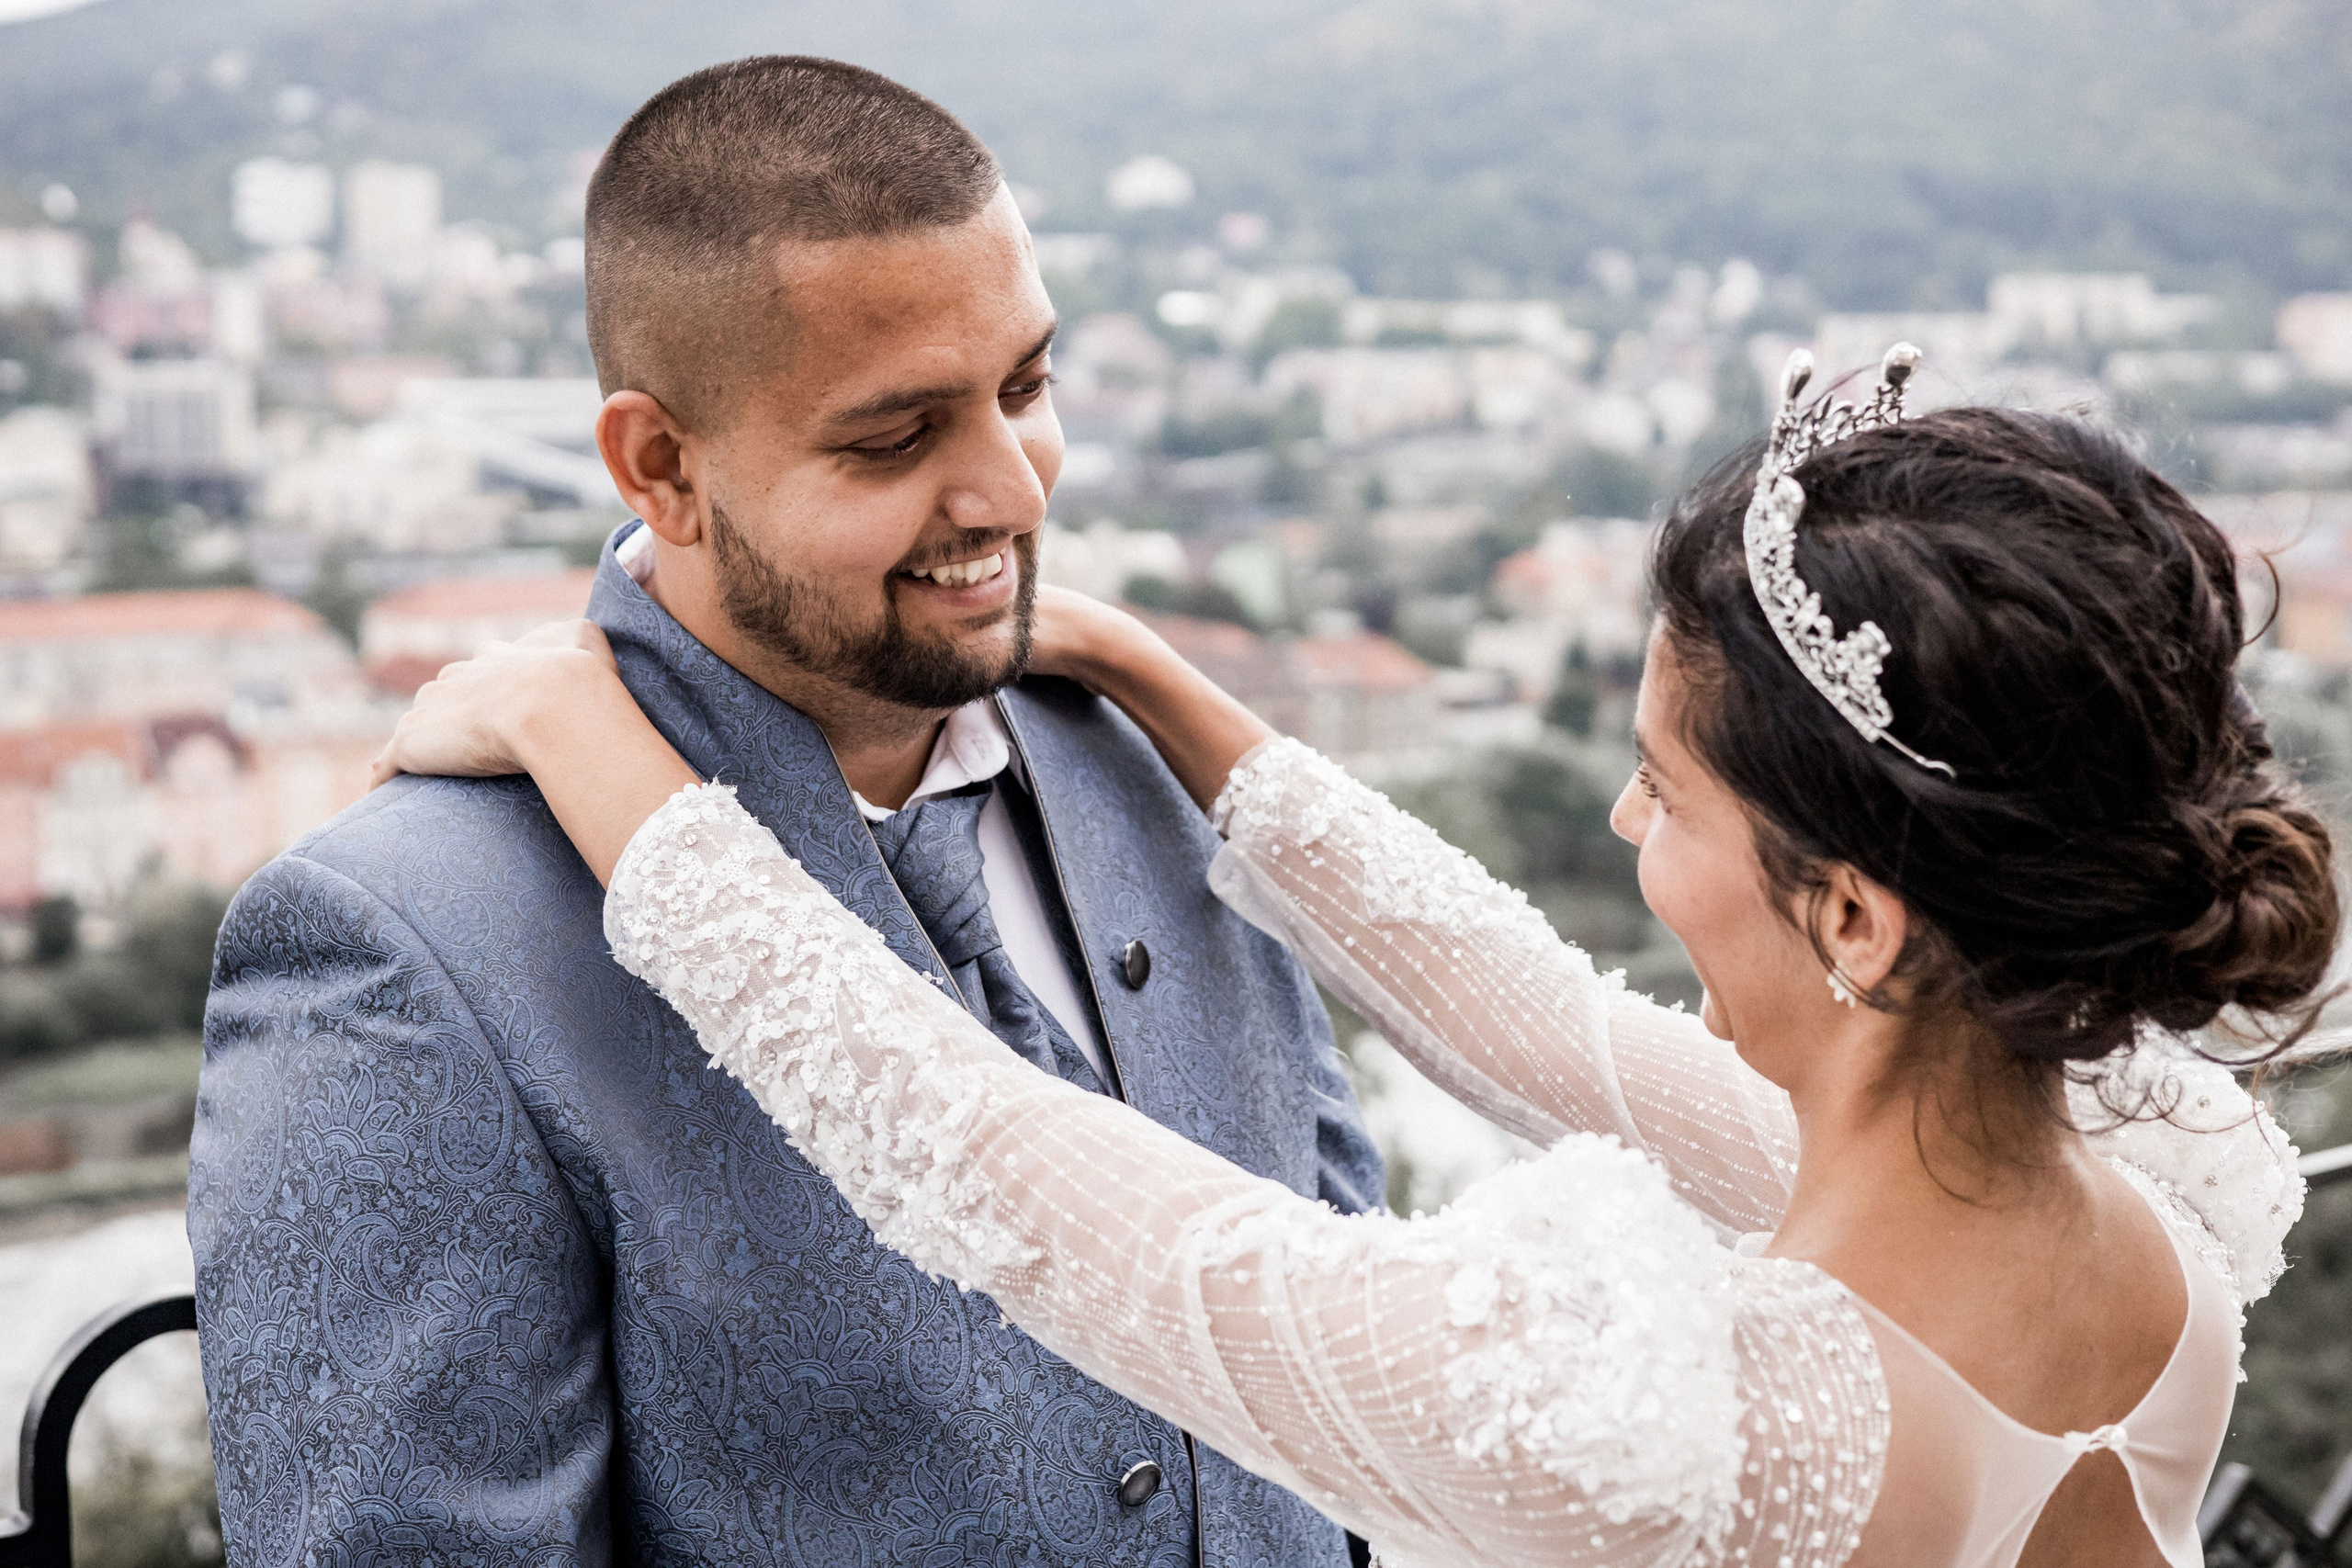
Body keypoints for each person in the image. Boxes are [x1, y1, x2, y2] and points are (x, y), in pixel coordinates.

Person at [379, 362, 2337, 1568]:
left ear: (1850, 914)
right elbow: (1541, 1020)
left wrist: (595, 742)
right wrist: (1157, 683)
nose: (1619, 839)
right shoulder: (2132, 1213)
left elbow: (995, 1164)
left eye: (1656, 794)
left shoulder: (1698, 1421)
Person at [188, 56, 1381, 1568]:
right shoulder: (394, 945)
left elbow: (1351, 1351)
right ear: (663, 466)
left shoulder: (1158, 766)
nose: (1010, 489)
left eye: (1026, 387)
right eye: (896, 438)